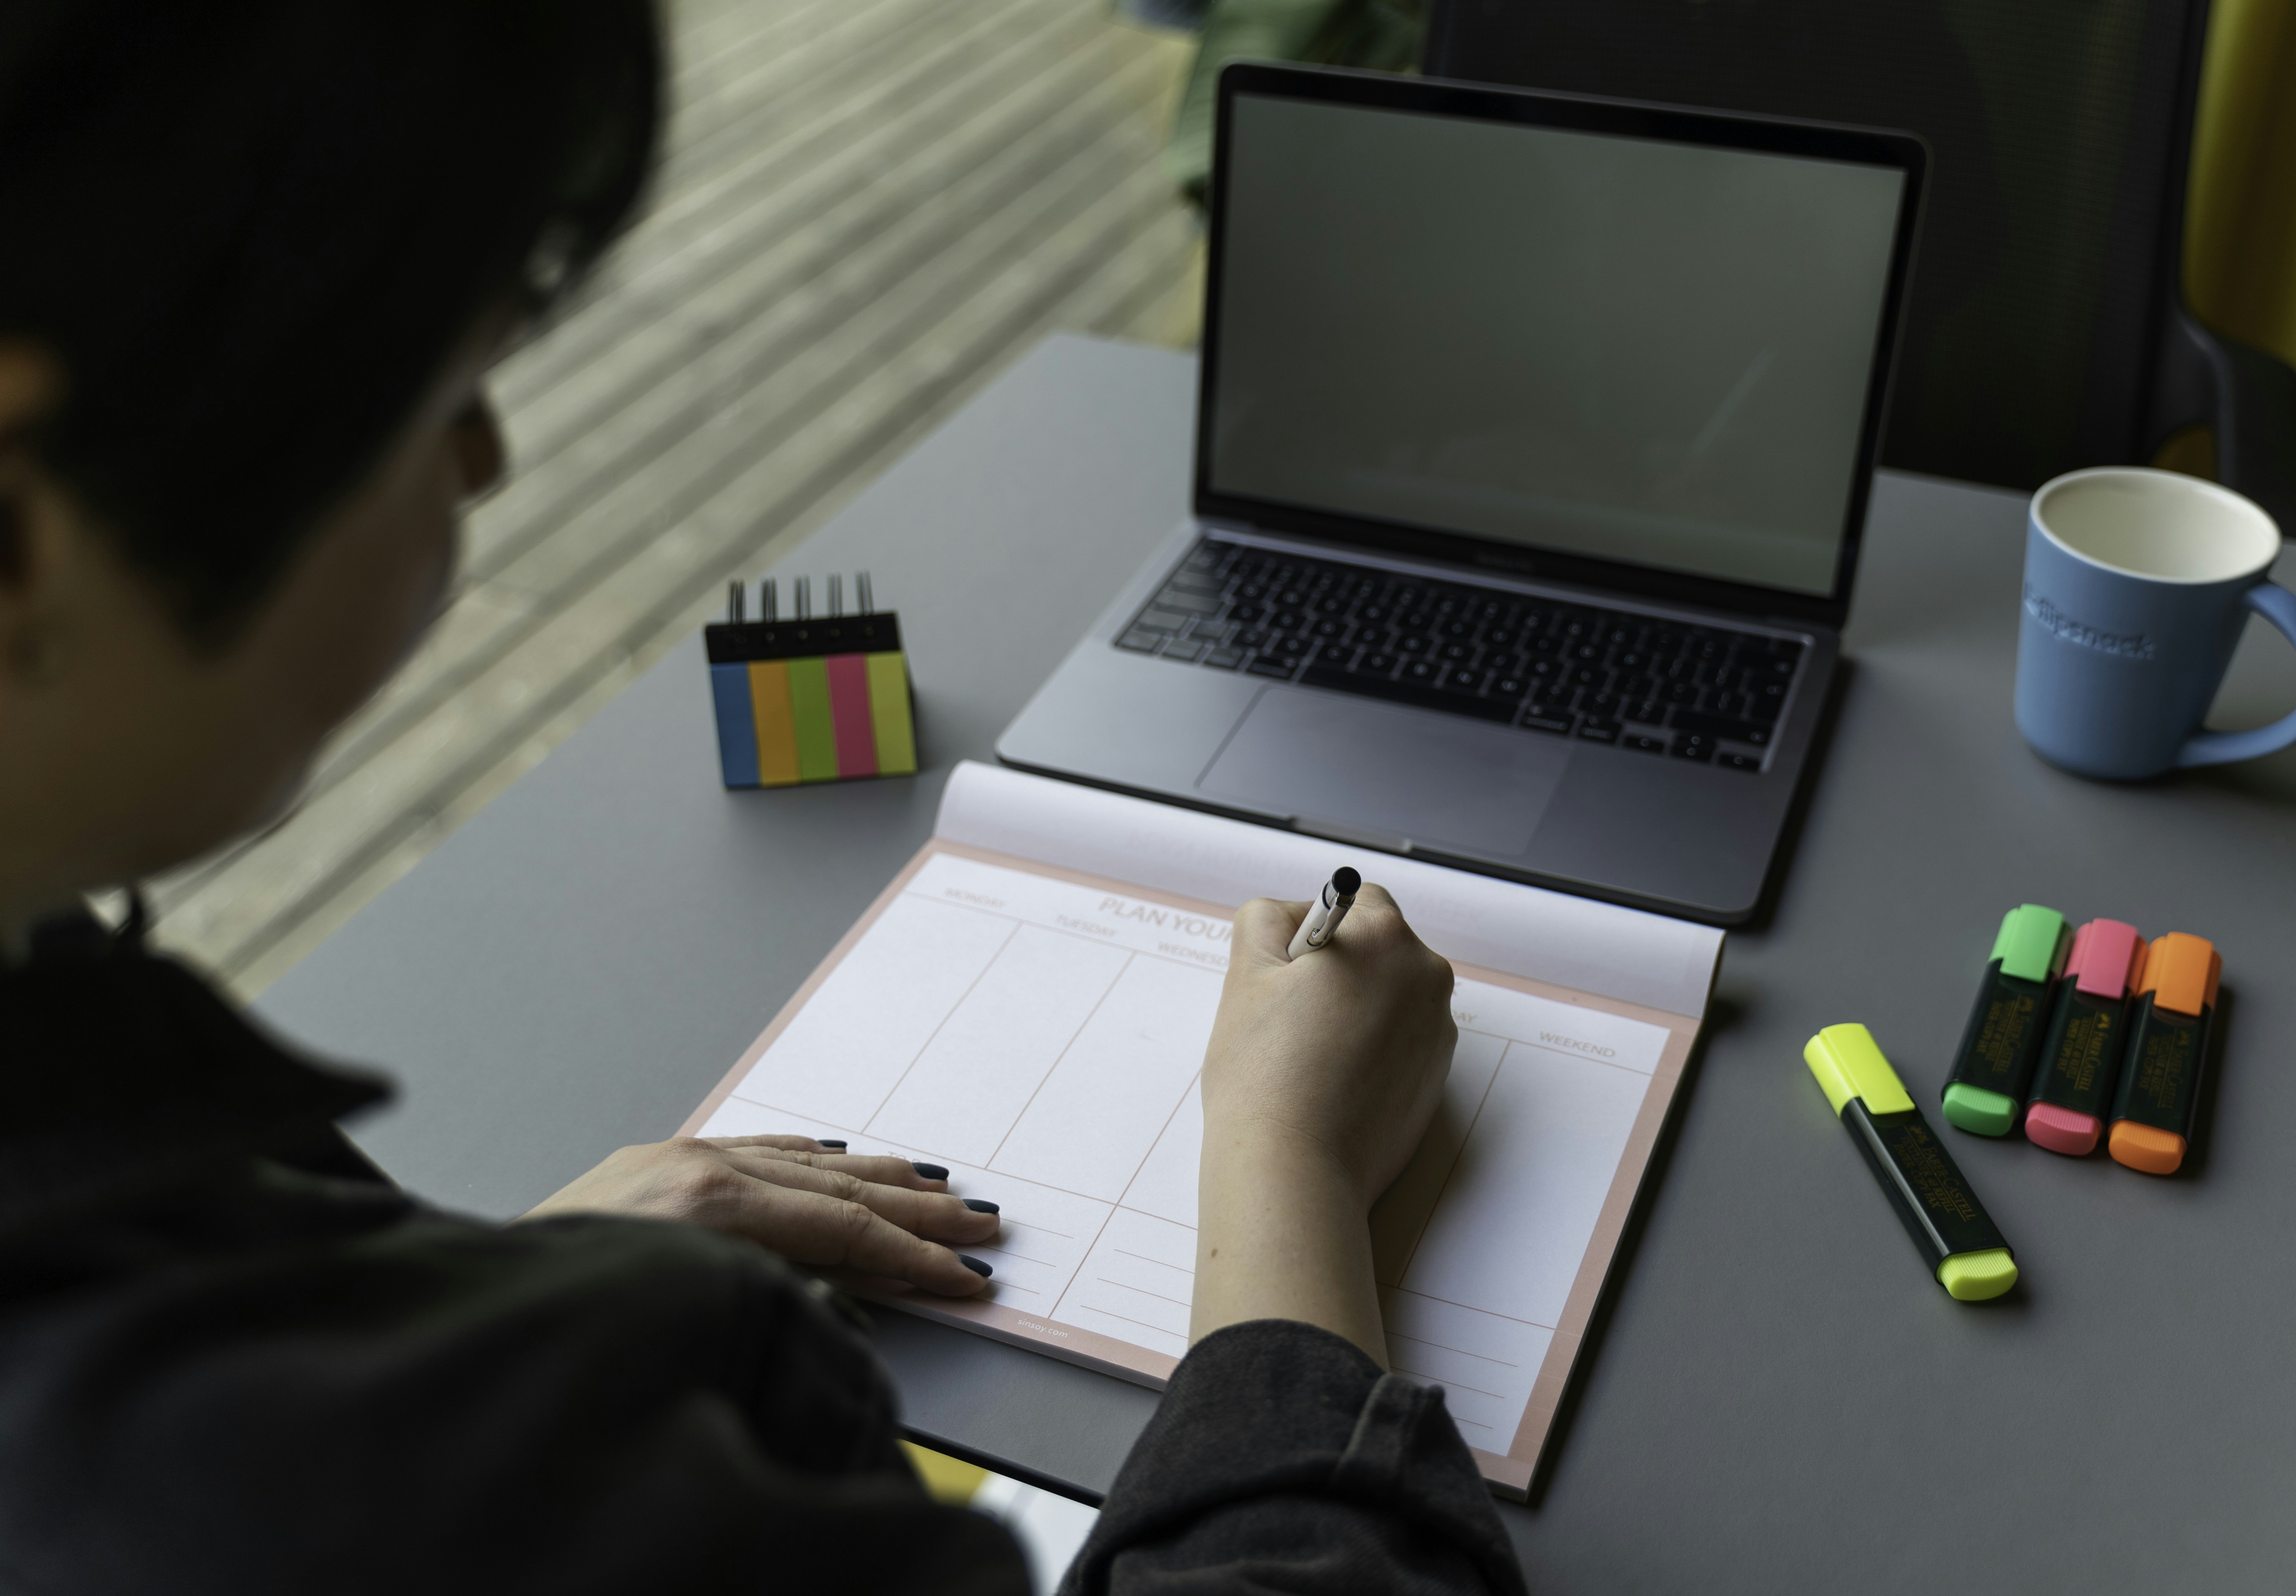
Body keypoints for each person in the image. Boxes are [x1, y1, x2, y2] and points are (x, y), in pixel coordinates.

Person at [0, 4, 1526, 1591]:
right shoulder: (335, 1487)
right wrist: (1285, 1174)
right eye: (436, 381)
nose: (484, 461)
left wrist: (504, 1289)